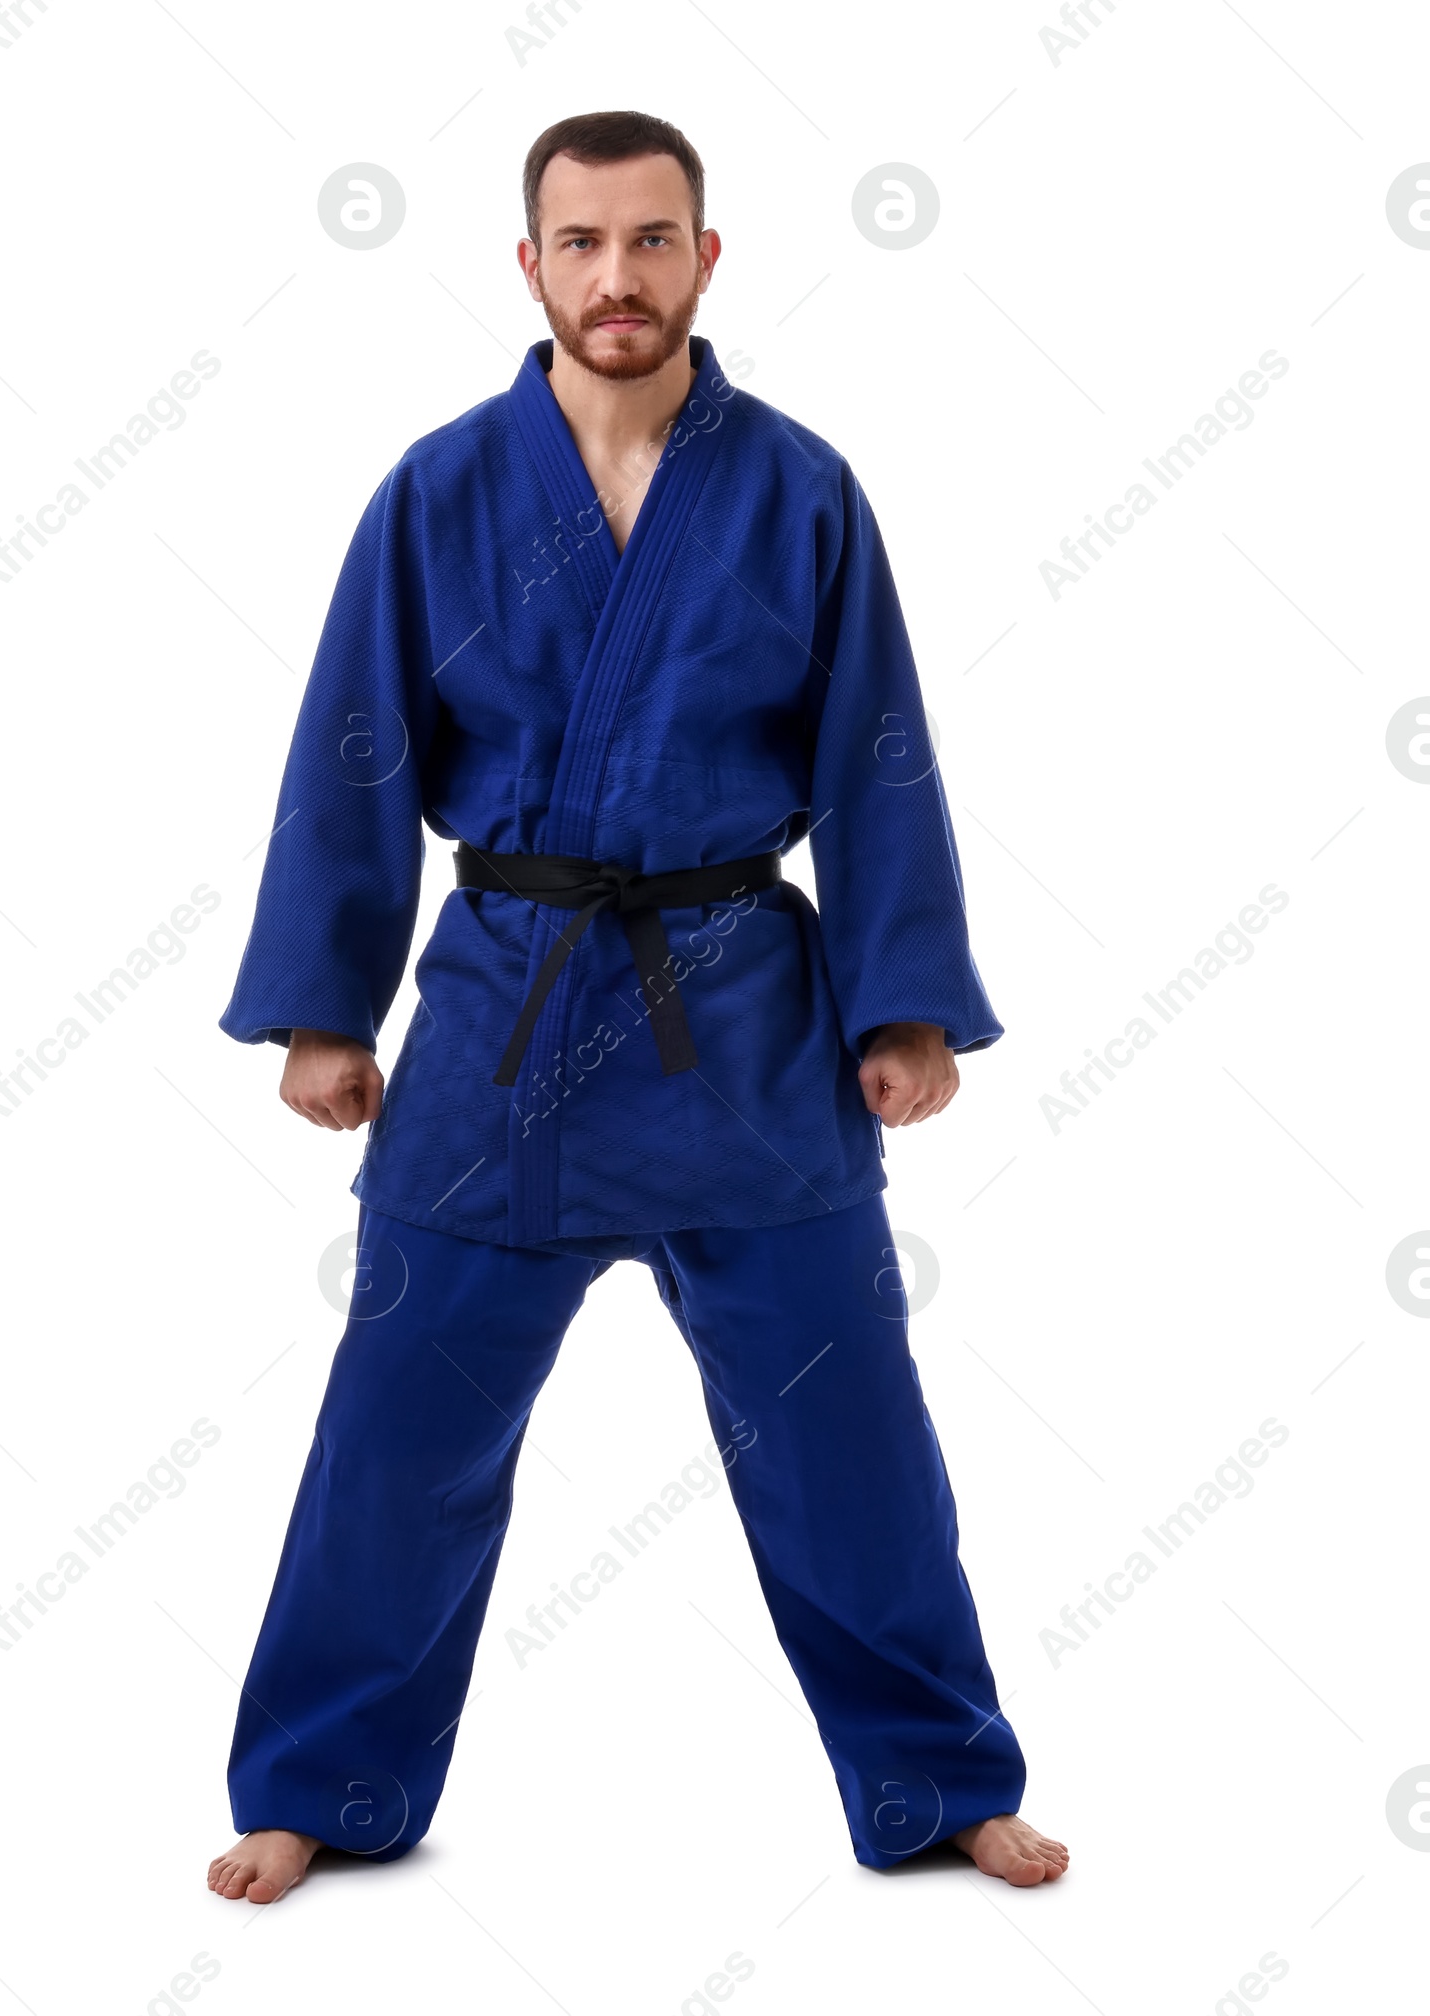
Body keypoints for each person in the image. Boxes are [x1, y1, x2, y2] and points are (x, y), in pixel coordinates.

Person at [206, 109, 1067, 1907]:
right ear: (528, 265)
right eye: (582, 243)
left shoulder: (801, 490)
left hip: (746, 1020)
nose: (618, 277)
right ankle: (318, 1782)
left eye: (653, 240)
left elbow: (877, 756)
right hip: (505, 1017)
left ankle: (936, 1777)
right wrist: (322, 1008)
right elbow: (355, 748)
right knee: (397, 1438)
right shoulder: (440, 490)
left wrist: (900, 1004)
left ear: (706, 257)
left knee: (850, 1440)